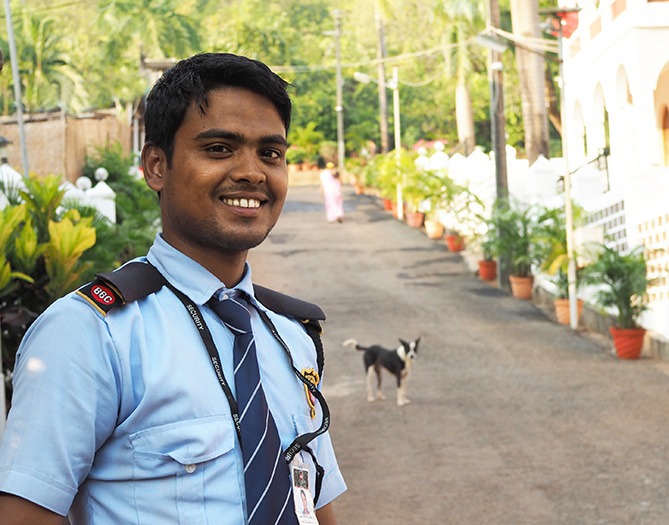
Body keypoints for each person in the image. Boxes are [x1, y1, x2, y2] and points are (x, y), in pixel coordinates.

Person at [0, 53, 346, 525]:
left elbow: (316, 501)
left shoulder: (291, 336)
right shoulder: (89, 335)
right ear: (156, 167)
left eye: (271, 152)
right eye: (220, 148)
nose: (253, 172)